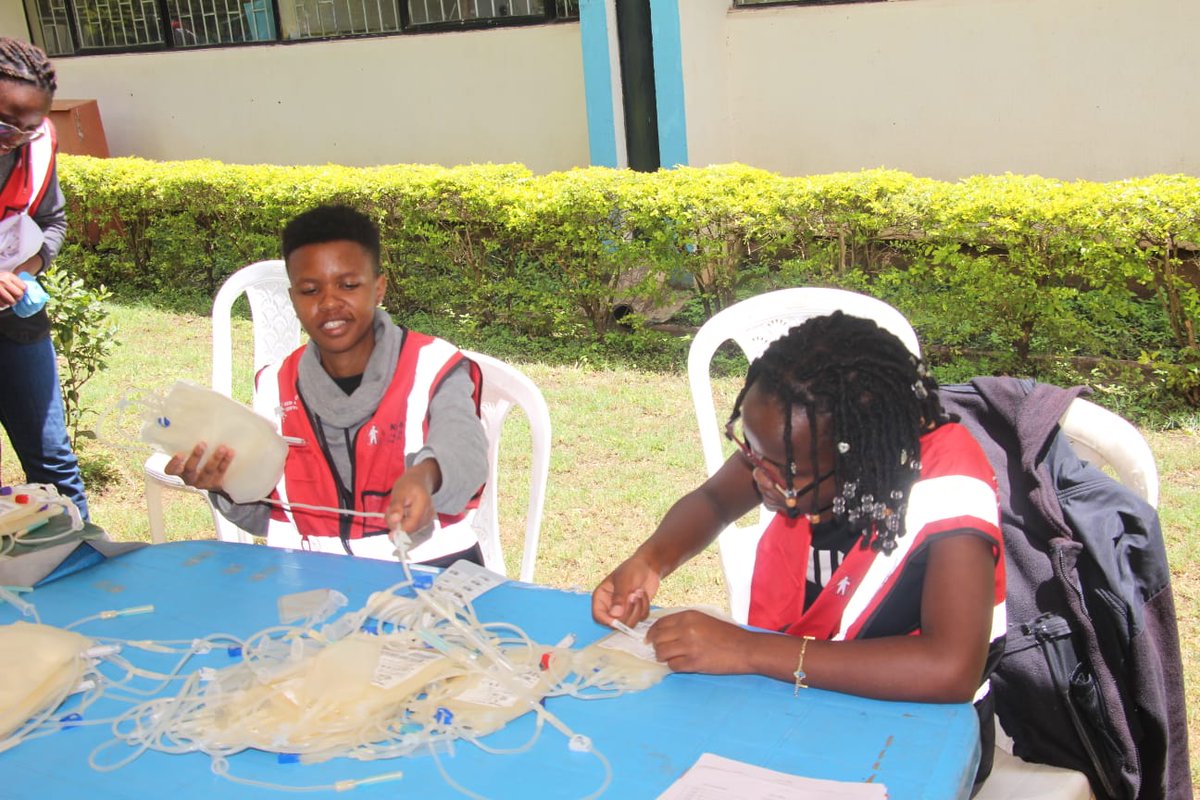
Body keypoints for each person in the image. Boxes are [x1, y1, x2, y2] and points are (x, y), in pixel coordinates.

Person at [592, 311, 1005, 785]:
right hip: (795, 696)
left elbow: (950, 669)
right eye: (751, 451)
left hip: (911, 731)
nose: (758, 476)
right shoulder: (792, 448)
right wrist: (651, 559)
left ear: (856, 455)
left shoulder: (950, 487)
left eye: (780, 470)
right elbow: (714, 499)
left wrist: (749, 650)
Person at [166, 205, 488, 567]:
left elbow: (465, 449)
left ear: (378, 287)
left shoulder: (433, 365)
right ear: (293, 299)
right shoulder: (276, 386)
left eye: (349, 285)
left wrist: (425, 475)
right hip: (313, 579)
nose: (329, 303)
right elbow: (266, 516)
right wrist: (225, 485)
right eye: (309, 290)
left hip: (434, 572)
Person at [0, 38, 89, 521]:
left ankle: (83, 566)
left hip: (16, 325)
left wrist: (24, 271)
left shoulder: (38, 146)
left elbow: (52, 223)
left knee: (52, 459)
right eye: (4, 123)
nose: (14, 137)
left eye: (28, 128)